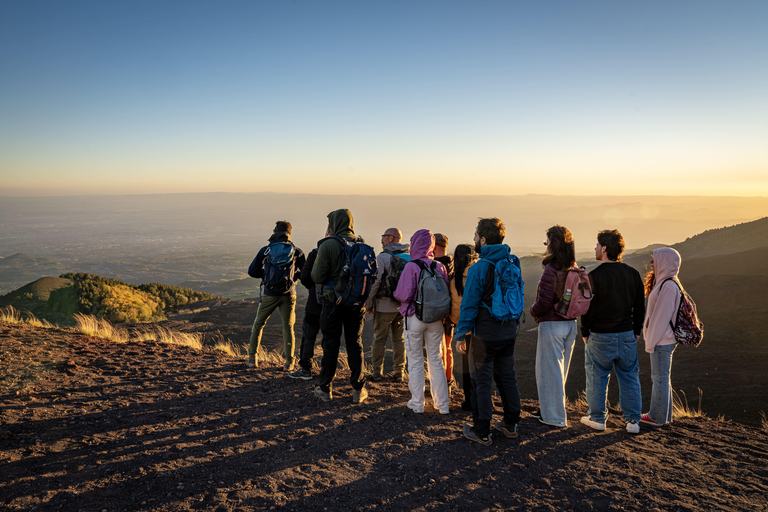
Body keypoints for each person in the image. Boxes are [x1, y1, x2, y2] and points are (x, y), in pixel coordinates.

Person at [455, 218, 522, 445]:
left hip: (484, 335)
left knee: (481, 382)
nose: (474, 239)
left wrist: (460, 335)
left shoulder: (479, 268)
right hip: (508, 332)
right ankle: (511, 424)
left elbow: (469, 306)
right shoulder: (513, 262)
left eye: (475, 236)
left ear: (483, 240)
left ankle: (482, 431)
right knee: (507, 378)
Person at [580, 229, 645, 434]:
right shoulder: (633, 274)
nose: (595, 248)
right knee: (629, 377)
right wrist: (636, 331)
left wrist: (585, 332)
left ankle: (598, 418)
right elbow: (639, 306)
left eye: (598, 245)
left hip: (599, 335)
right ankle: (633, 421)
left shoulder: (593, 276)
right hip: (626, 334)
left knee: (597, 376)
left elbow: (586, 308)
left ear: (605, 248)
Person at [311, 209, 368, 404]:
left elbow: (317, 276)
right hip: (357, 304)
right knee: (355, 343)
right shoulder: (362, 245)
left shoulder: (328, 245)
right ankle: (358, 390)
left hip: (332, 303)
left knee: (330, 344)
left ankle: (325, 388)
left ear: (334, 224)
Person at [393, 229, 451, 415]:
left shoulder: (411, 266)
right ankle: (442, 405)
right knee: (436, 359)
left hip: (415, 318)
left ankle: (417, 403)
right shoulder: (439, 266)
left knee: (416, 360)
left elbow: (403, 294)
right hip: (436, 319)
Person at [529, 225, 578, 428]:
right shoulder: (574, 267)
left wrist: (533, 311)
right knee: (560, 372)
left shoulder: (552, 270)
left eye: (546, 241)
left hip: (552, 324)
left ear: (553, 244)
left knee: (549, 372)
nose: (545, 245)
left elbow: (544, 301)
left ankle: (554, 417)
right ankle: (551, 411)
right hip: (571, 324)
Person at [246, 220, 306, 370]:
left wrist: (266, 276)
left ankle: (253, 359)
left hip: (269, 293)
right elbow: (305, 273)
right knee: (288, 327)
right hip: (289, 294)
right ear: (289, 233)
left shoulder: (266, 250)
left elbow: (252, 271)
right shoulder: (296, 252)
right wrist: (295, 277)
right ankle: (289, 363)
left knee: (258, 324)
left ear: (275, 232)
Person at [641, 247, 682, 426]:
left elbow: (660, 318)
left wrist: (650, 342)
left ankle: (656, 417)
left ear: (665, 261)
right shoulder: (668, 283)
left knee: (659, 378)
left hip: (661, 340)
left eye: (655, 259)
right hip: (664, 339)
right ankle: (664, 416)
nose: (652, 263)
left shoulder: (668, 286)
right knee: (663, 378)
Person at [365, 227, 409, 382]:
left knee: (379, 339)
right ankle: (399, 372)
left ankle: (377, 372)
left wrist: (369, 303)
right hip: (402, 306)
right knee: (399, 339)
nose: (381, 240)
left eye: (383, 237)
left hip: (384, 305)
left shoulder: (383, 257)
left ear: (391, 238)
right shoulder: (408, 256)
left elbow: (376, 282)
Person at [448, 243, 477, 411]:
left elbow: (455, 306)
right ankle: (483, 400)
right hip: (482, 327)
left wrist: (455, 322)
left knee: (467, 367)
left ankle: (469, 401)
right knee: (481, 367)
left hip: (463, 327)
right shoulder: (480, 275)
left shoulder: (455, 279)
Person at [288, 246, 322, 380]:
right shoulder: (347, 250)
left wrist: (313, 289)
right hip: (335, 304)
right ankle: (328, 370)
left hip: (315, 303)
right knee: (330, 338)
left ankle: (306, 369)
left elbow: (304, 276)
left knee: (309, 336)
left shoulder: (316, 252)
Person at [433, 233, 455, 385]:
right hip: (452, 313)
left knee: (438, 349)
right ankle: (447, 380)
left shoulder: (435, 265)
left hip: (438, 313)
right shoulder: (454, 263)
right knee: (447, 347)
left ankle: (440, 384)